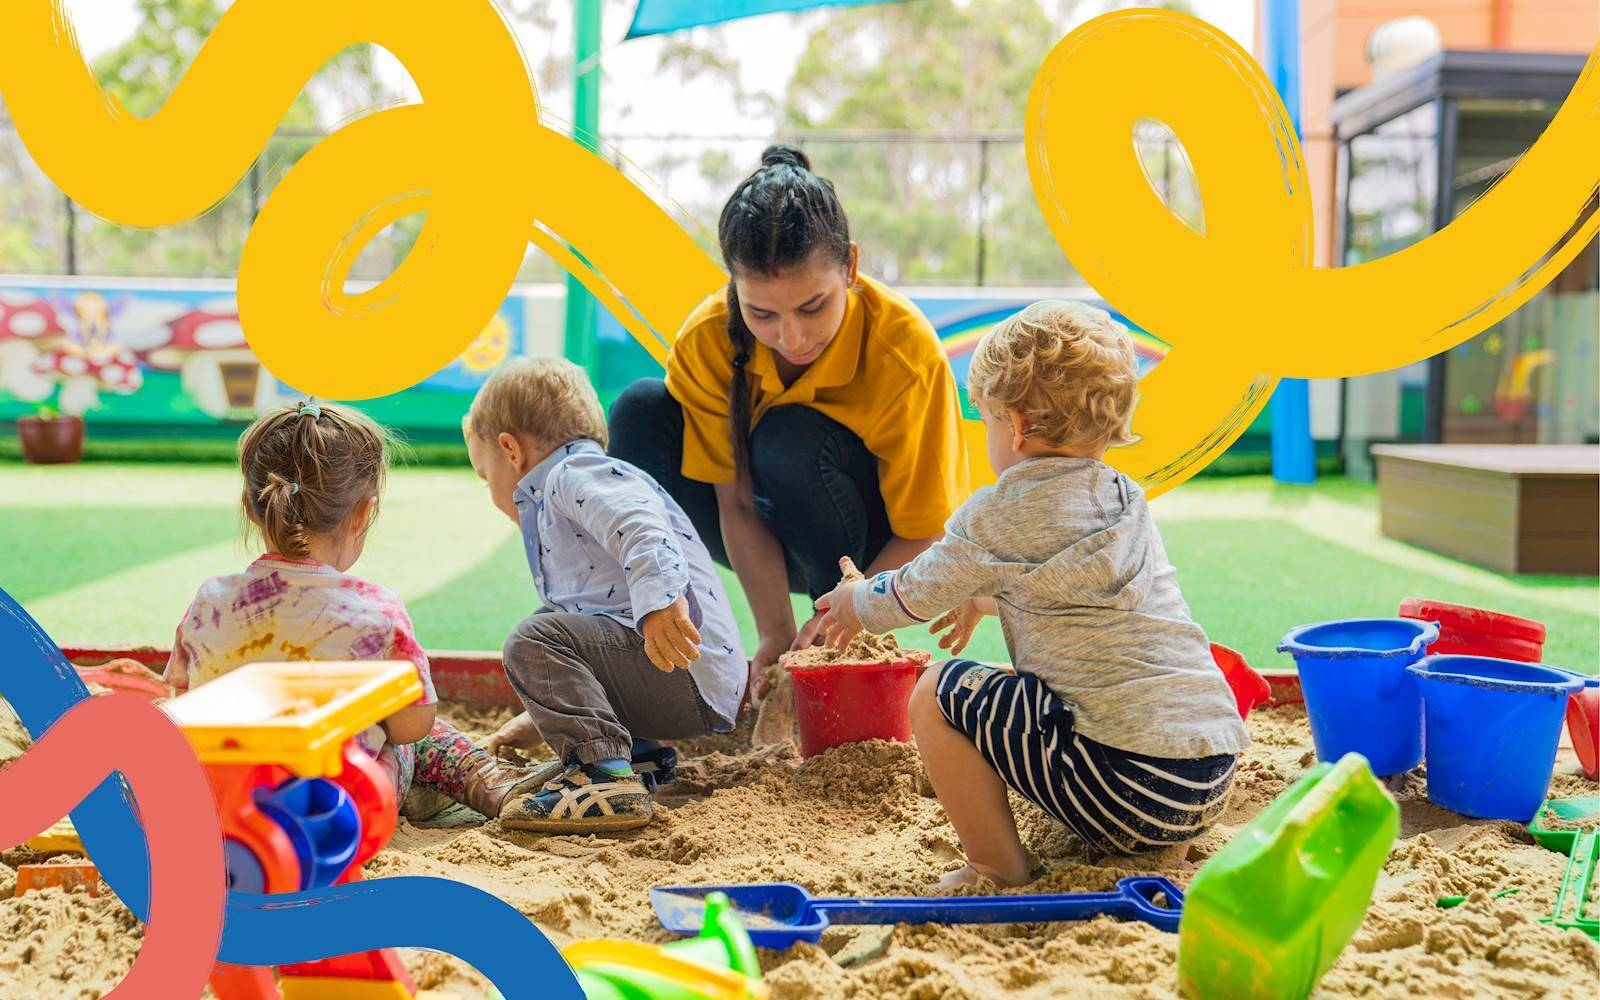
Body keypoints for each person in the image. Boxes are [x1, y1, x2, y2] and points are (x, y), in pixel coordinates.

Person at [813, 301, 1250, 886]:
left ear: (1015, 426)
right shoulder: (1124, 500)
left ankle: (995, 865)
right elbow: (1072, 593)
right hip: (1209, 772)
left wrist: (856, 601)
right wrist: (984, 599)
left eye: (987, 420)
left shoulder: (998, 516)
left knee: (936, 693)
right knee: (1021, 689)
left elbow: (909, 596)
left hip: (1127, 784)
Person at [607, 144, 969, 687]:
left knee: (789, 436)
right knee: (640, 408)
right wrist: (774, 632)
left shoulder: (907, 353)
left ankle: (841, 655)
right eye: (761, 313)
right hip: (757, 524)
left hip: (868, 548)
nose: (791, 337)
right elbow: (732, 501)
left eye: (812, 307)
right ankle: (649, 652)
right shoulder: (705, 339)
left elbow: (926, 532)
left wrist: (847, 612)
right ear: (734, 286)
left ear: (850, 266)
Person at [165, 401, 545, 820]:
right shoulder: (375, 610)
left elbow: (185, 696)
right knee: (421, 736)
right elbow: (411, 727)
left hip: (228, 803)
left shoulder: (209, 600)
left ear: (249, 506)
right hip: (343, 812)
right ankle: (491, 784)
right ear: (363, 512)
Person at [464, 358, 747, 833]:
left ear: (510, 450)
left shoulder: (574, 474)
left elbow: (640, 527)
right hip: (686, 679)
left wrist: (659, 602)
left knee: (534, 637)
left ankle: (604, 777)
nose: (492, 490)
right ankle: (637, 758)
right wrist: (540, 717)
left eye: (483, 472)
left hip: (682, 668)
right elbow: (593, 635)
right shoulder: (583, 477)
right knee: (556, 622)